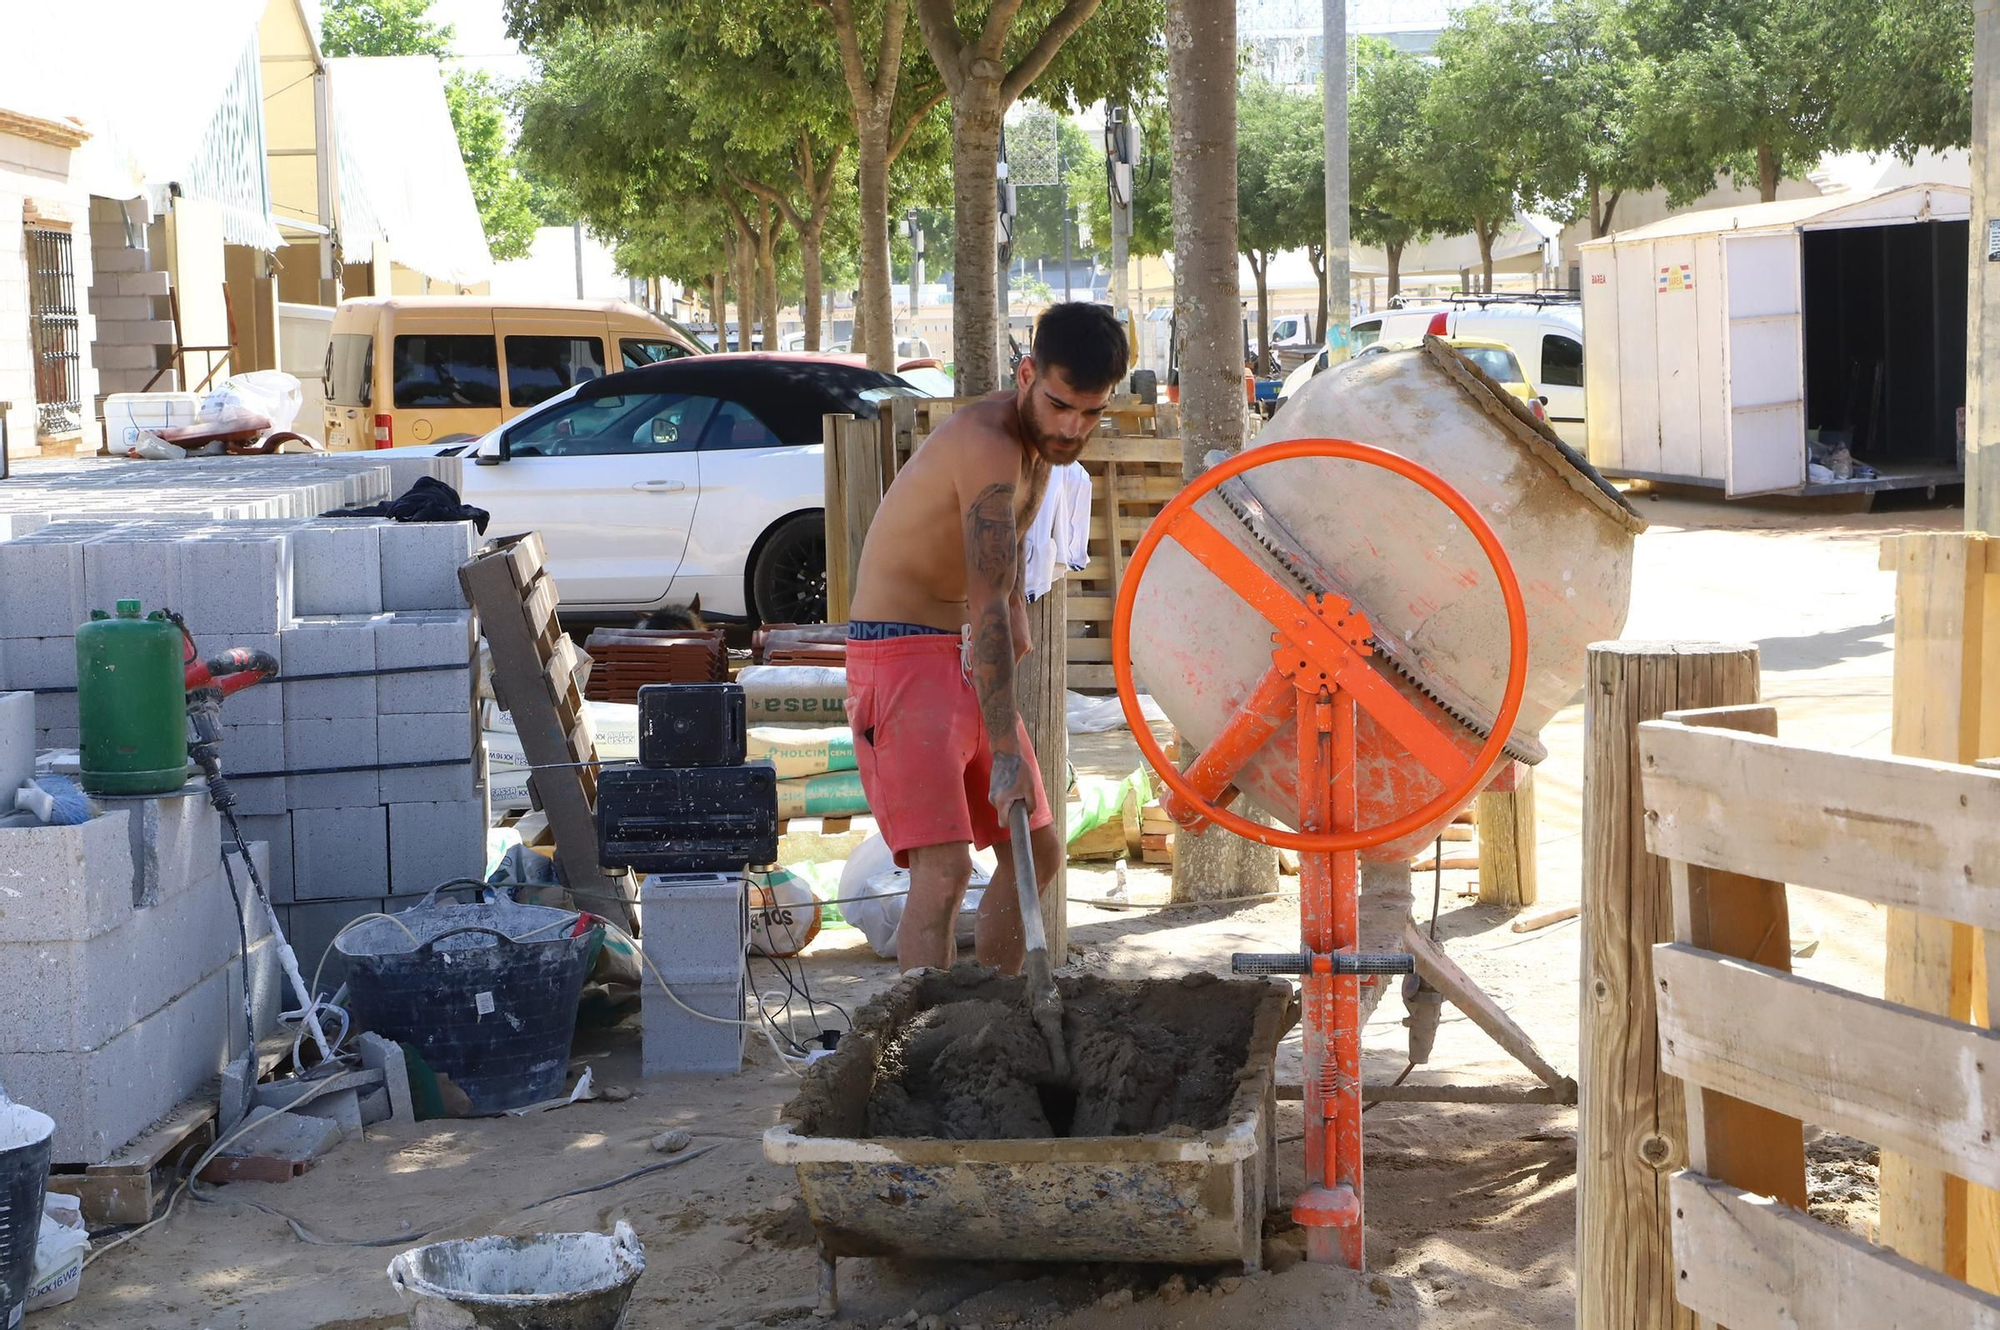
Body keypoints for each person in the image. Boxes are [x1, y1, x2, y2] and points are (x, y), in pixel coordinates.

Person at [846, 303, 1130, 973]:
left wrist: (1016, 611)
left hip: (960, 652)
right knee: (942, 874)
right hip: (901, 652)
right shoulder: (987, 441)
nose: (1074, 428)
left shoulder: (1038, 449)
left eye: (1091, 414)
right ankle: (918, 1046)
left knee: (1039, 849)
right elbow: (989, 608)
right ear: (1026, 373)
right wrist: (1005, 747)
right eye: (1061, 405)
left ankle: (999, 1019)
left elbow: (1001, 573)